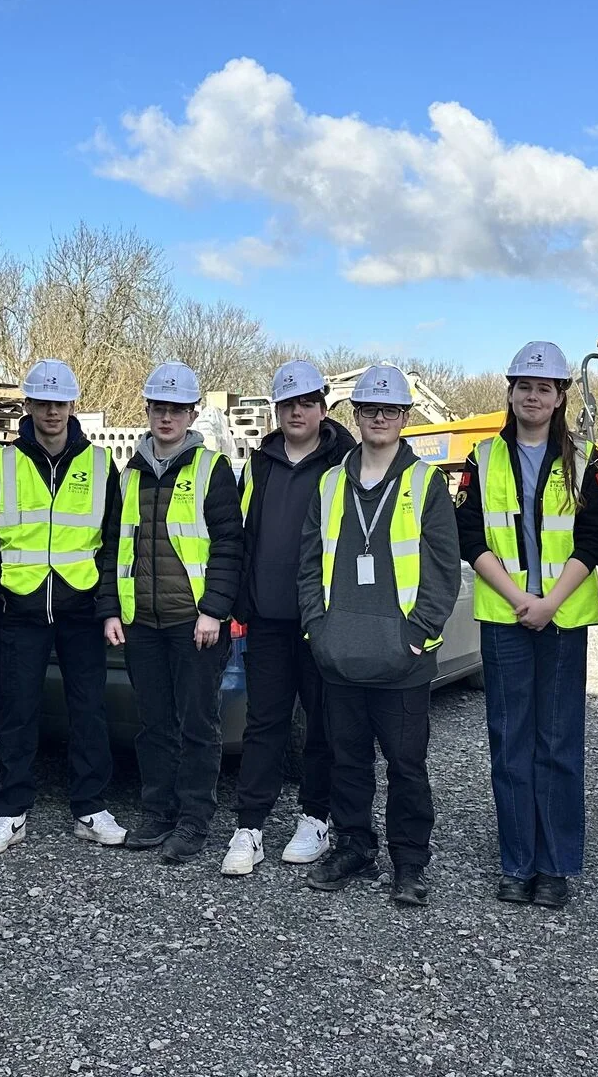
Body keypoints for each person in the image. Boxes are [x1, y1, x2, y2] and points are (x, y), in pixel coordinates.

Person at [457, 341, 598, 910]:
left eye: (544, 388)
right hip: (505, 618)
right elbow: (469, 535)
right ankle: (517, 862)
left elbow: (595, 536)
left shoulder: (586, 458)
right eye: (524, 386)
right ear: (511, 391)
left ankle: (554, 867)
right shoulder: (481, 457)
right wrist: (521, 598)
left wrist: (550, 602)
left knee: (559, 743)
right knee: (510, 742)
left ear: (560, 396)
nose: (532, 396)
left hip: (562, 619)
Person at [298, 364, 461, 906]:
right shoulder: (330, 483)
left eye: (390, 409)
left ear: (405, 416)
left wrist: (418, 634)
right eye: (370, 409)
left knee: (406, 766)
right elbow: (308, 564)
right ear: (357, 414)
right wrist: (317, 629)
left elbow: (443, 568)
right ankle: (354, 847)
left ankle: (409, 862)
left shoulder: (425, 483)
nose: (379, 418)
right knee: (346, 761)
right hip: (339, 654)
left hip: (402, 660)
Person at [0, 359, 127, 855]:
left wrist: (104, 599)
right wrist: (4, 584)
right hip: (23, 608)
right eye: (42, 403)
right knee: (17, 709)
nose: (51, 412)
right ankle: (11, 810)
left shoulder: (100, 464)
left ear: (72, 405)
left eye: (59, 403)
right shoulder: (3, 463)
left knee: (89, 709)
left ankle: (90, 808)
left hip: (80, 607)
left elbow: (115, 541)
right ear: (28, 406)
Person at [105, 361, 243, 865]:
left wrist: (214, 610)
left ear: (191, 414)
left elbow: (229, 546)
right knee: (153, 725)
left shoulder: (211, 469)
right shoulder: (130, 474)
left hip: (194, 624)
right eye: (159, 408)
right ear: (147, 410)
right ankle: (157, 812)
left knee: (198, 726)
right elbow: (113, 548)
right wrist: (111, 610)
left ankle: (193, 820)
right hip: (141, 622)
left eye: (177, 409)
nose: (167, 417)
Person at [222, 359, 353, 877]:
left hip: (323, 619)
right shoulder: (258, 465)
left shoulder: (345, 463)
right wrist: (238, 603)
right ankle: (249, 826)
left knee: (322, 723)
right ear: (276, 410)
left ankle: (316, 817)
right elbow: (240, 536)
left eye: (306, 403)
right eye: (288, 404)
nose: (297, 412)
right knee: (264, 722)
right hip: (268, 618)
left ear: (323, 407)